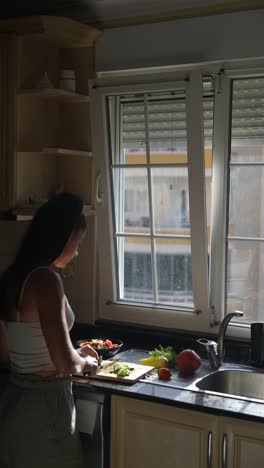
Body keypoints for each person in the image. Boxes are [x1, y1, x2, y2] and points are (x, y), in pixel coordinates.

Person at [0, 192, 98, 468]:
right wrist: (86, 361)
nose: (77, 252)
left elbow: (7, 355)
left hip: (14, 406)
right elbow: (65, 362)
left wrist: (74, 352)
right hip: (46, 410)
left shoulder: (10, 277)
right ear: (63, 238)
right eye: (77, 243)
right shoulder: (46, 280)